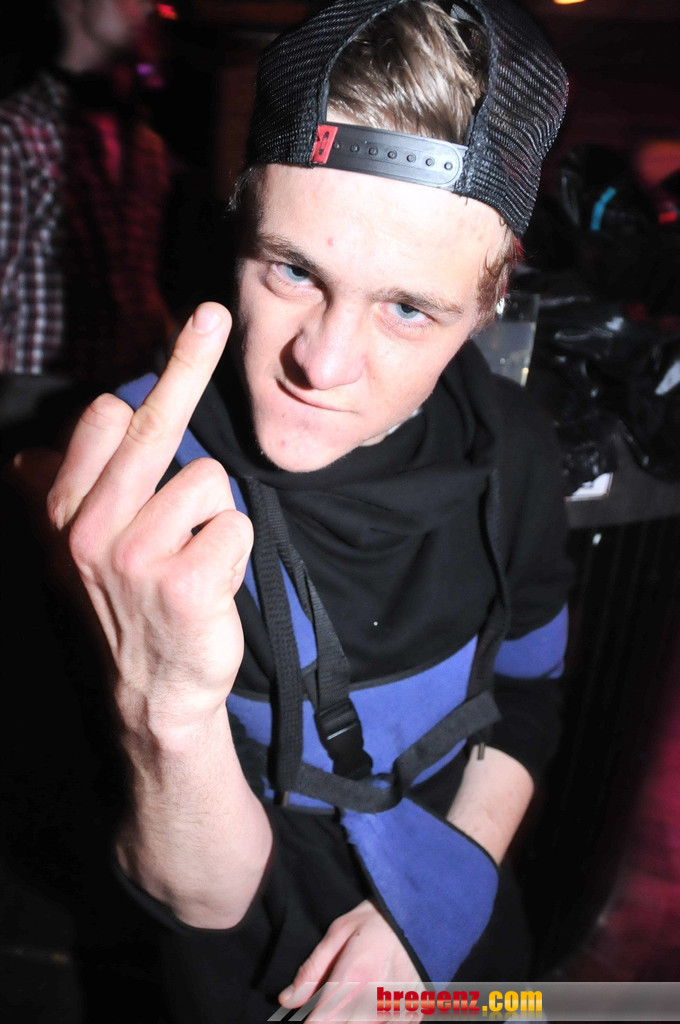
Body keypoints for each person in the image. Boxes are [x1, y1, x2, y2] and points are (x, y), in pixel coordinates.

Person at [36, 0, 571, 1020]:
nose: (320, 364)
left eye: (408, 309)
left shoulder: (513, 446)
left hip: (468, 962)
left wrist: (432, 909)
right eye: (291, 270)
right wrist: (166, 714)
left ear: (491, 300)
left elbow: (530, 689)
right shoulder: (131, 492)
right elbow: (192, 899)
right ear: (239, 227)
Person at [0, 0, 171, 458]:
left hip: (123, 391)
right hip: (30, 396)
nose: (146, 6)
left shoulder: (146, 144)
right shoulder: (13, 130)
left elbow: (139, 279)